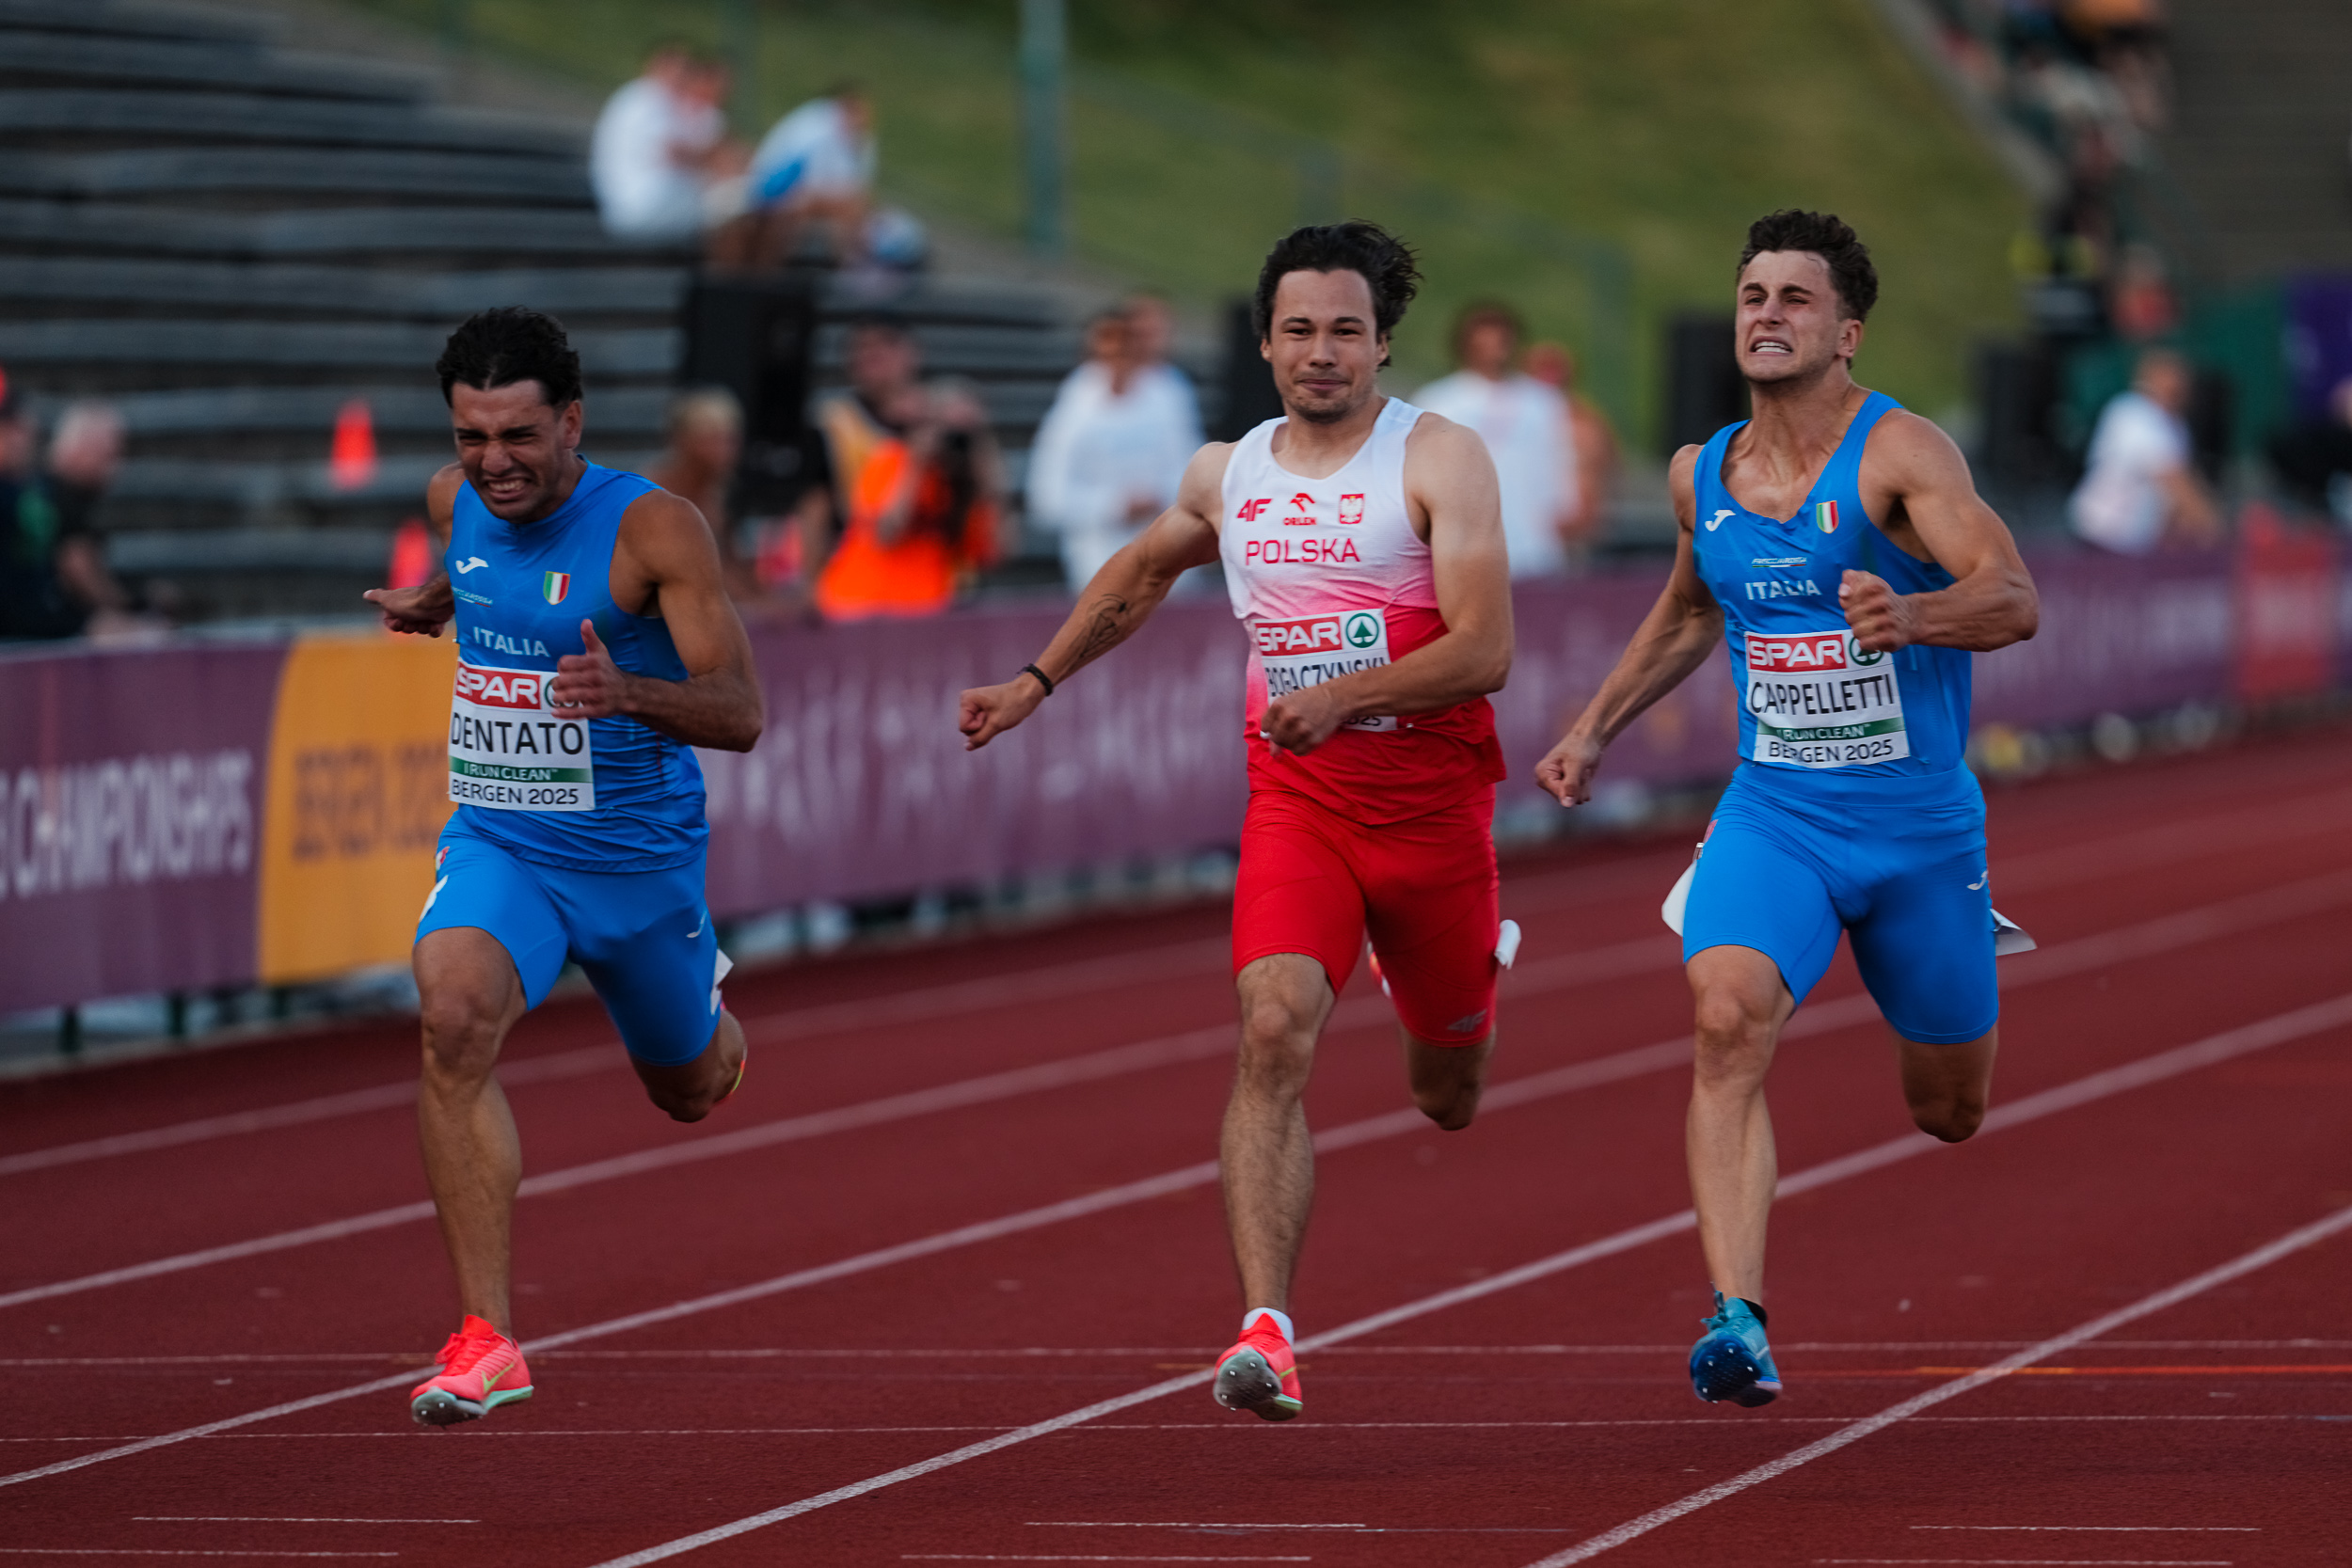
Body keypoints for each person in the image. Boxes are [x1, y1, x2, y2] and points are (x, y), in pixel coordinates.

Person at [959, 222, 1517, 1422]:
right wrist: (1037, 680)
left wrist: (1344, 694)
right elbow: (1139, 573)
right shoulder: (1229, 471)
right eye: (1299, 329)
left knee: (1448, 1092)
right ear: (1264, 343)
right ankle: (1267, 1328)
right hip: (1300, 804)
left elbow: (1485, 649)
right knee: (1270, 1028)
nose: (1322, 351)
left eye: (1346, 331)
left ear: (1382, 343)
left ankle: (1446, 970)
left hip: (1431, 816)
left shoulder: (1439, 457)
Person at [1533, 211, 2040, 1410]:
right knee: (1724, 1016)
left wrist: (1913, 615)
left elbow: (2012, 596)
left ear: (1845, 332)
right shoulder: (1698, 472)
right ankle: (1737, 1319)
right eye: (1753, 295)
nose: (1767, 314)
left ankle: (1950, 966)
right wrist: (1593, 726)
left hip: (1916, 829)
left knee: (1949, 1109)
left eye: (1795, 298)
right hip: (1777, 814)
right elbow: (1687, 609)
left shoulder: (1899, 454)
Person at [361, 307, 763, 1427]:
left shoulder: (654, 528)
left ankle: (709, 1009)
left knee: (689, 1090)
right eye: (471, 437)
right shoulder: (454, 502)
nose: (493, 462)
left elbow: (741, 711)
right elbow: (484, 574)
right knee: (451, 1012)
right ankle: (485, 1336)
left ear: (572, 422)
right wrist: (436, 601)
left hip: (636, 862)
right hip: (503, 838)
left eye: (519, 437)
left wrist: (625, 690)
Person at [803, 315, 1003, 620]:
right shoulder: (889, 457)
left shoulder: (955, 479)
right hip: (864, 605)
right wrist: (916, 462)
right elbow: (886, 532)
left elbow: (993, 550)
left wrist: (984, 459)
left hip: (926, 605)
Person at [1025, 306, 1200, 590]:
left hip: (1168, 557)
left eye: (1124, 348)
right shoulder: (1074, 404)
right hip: (1097, 561)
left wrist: (1159, 497)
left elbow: (1194, 468)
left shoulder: (1168, 393)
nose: (1116, 360)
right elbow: (1048, 495)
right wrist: (1115, 506)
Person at [1414, 302, 1580, 578]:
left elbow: (1561, 459)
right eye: (1484, 342)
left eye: (1501, 341)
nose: (1494, 350)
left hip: (1534, 541)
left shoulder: (1543, 402)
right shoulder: (1439, 402)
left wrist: (1566, 510)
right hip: (1462, 542)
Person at [2068, 347, 2219, 553]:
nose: (2177, 382)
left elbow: (2175, 499)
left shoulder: (2177, 425)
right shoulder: (2133, 413)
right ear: (2148, 377)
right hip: (2099, 538)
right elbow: (2176, 483)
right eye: (2169, 374)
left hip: (2135, 545)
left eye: (2181, 375)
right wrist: (2216, 529)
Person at [590, 45, 743, 245]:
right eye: (679, 68)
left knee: (737, 200)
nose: (682, 76)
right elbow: (674, 152)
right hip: (642, 206)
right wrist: (714, 156)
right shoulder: (647, 97)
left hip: (643, 205)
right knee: (741, 200)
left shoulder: (647, 100)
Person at [743, 85, 877, 269]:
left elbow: (852, 185)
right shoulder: (815, 129)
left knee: (857, 208)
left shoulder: (858, 140)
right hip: (776, 190)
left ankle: (846, 266)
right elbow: (799, 180)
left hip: (807, 196)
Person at [1525, 340, 1620, 550]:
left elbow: (1605, 473)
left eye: (1555, 368)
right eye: (1543, 367)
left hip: (1576, 531)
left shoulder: (1586, 421)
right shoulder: (1510, 423)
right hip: (1525, 529)